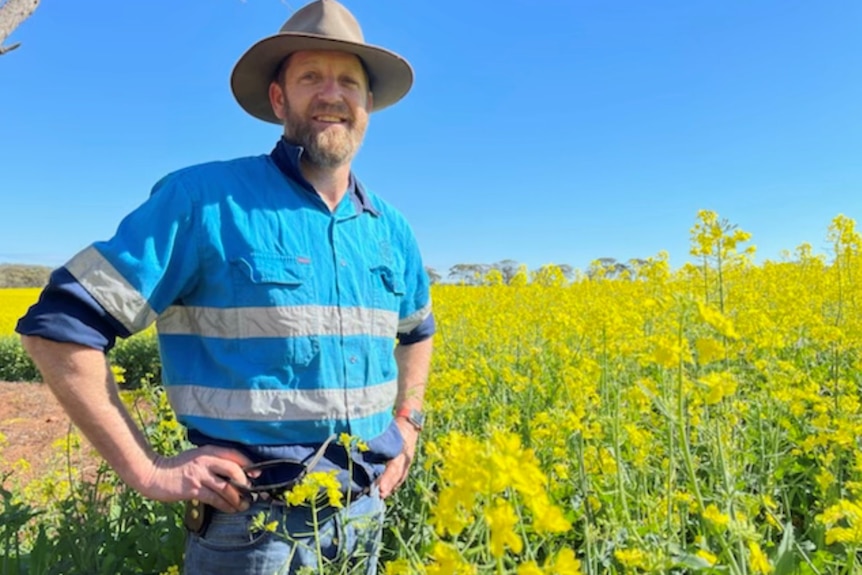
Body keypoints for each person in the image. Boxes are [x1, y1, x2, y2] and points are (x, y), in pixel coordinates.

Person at [15, 0, 434, 573]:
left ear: (366, 105)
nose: (332, 94)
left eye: (348, 81)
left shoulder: (391, 228)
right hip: (252, 531)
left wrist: (408, 423)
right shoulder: (204, 200)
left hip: (365, 515)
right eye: (311, 76)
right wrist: (147, 468)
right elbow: (60, 327)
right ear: (279, 98)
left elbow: (418, 331)